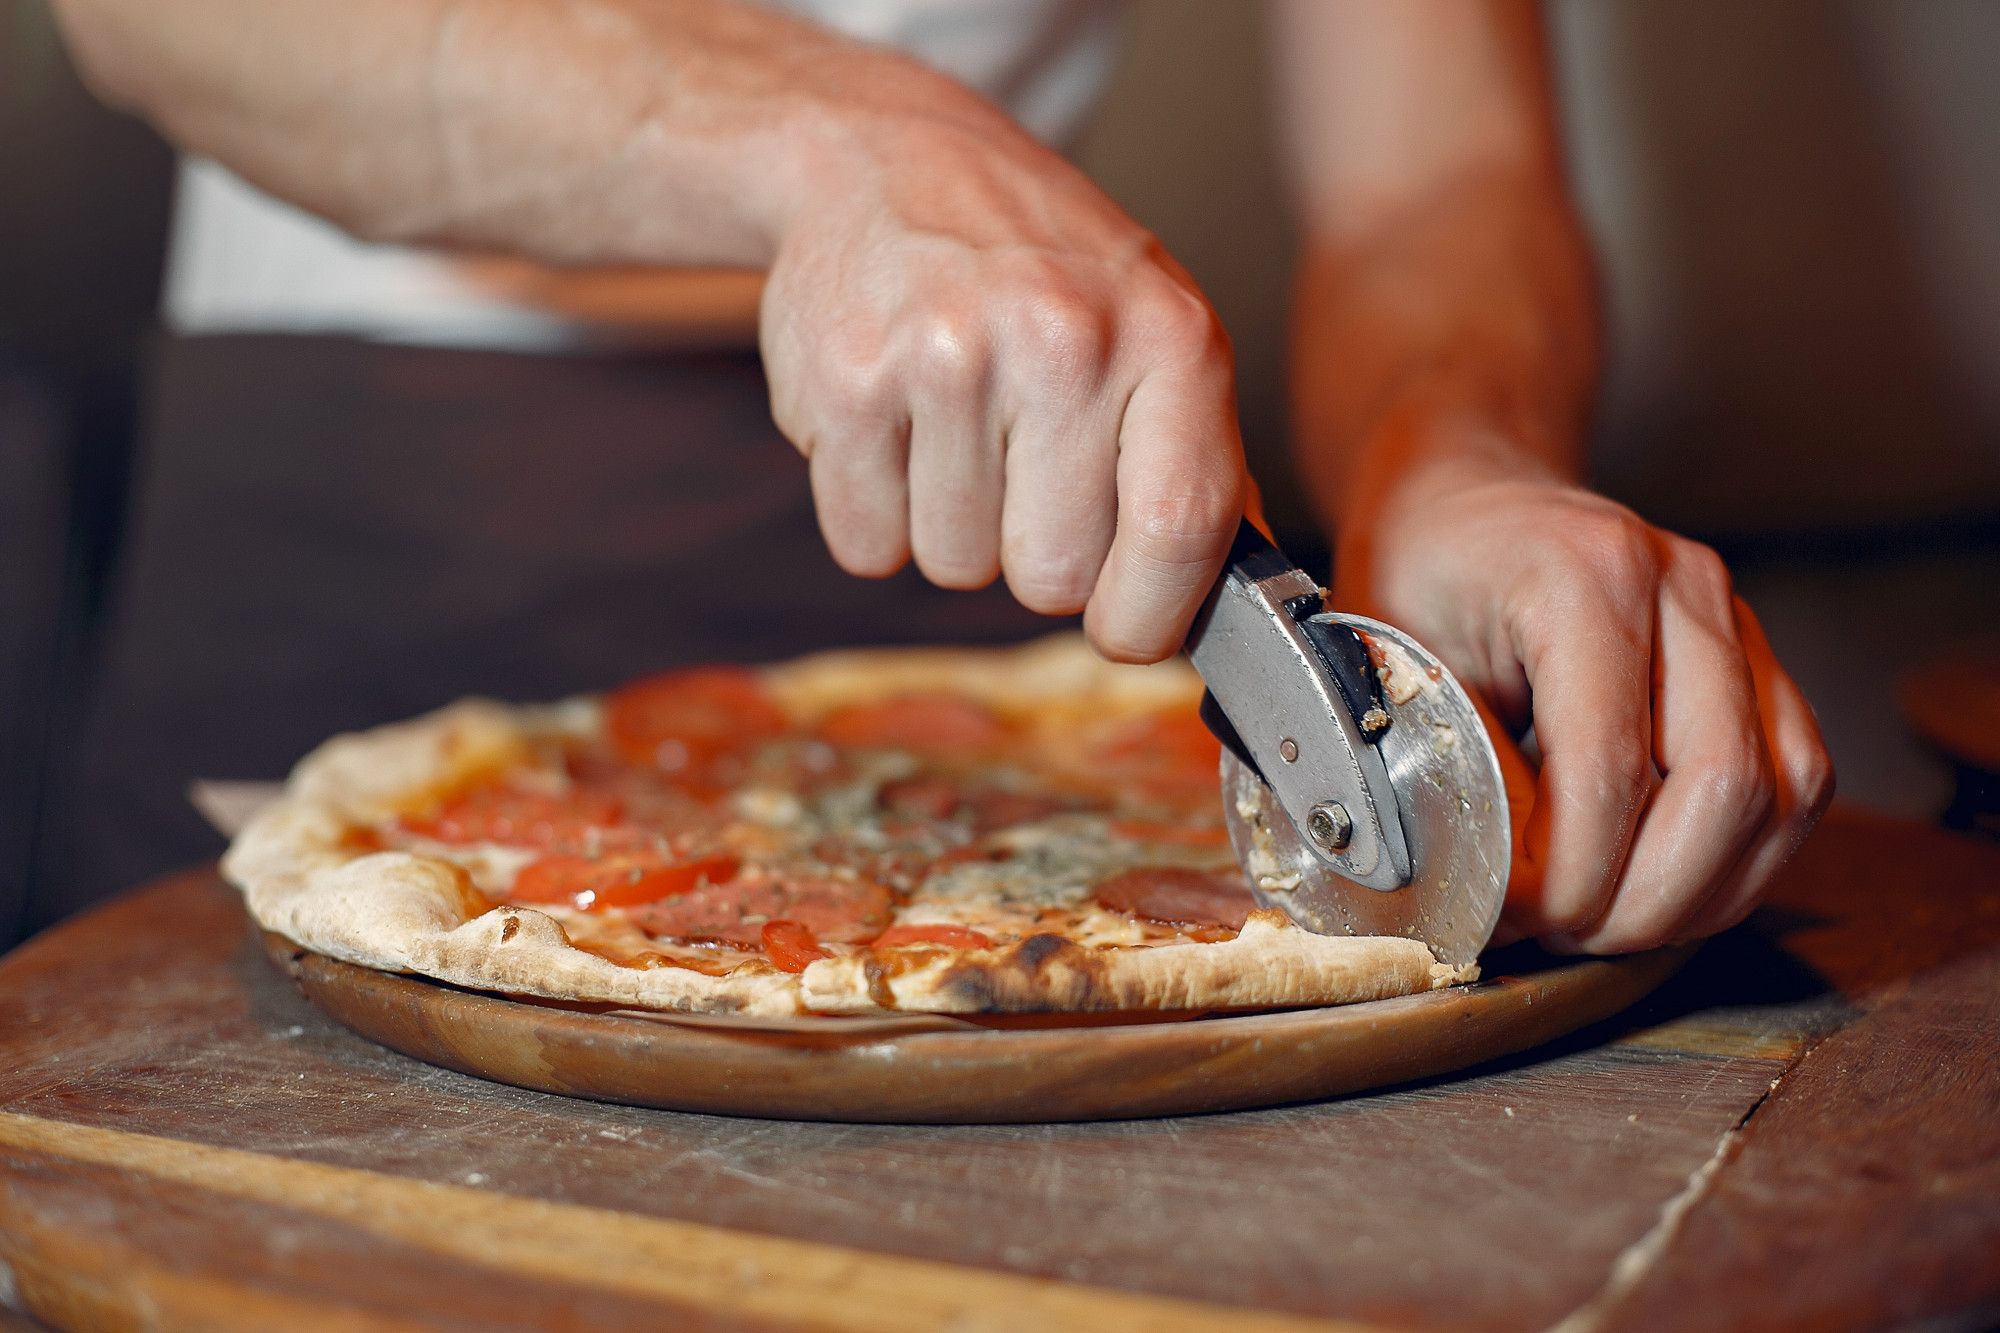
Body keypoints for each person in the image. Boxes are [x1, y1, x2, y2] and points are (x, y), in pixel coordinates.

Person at [48, 0, 1831, 953]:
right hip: (349, 532)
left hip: (984, 558)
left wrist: (1466, 451)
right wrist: (851, 134)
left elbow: (1434, 177)